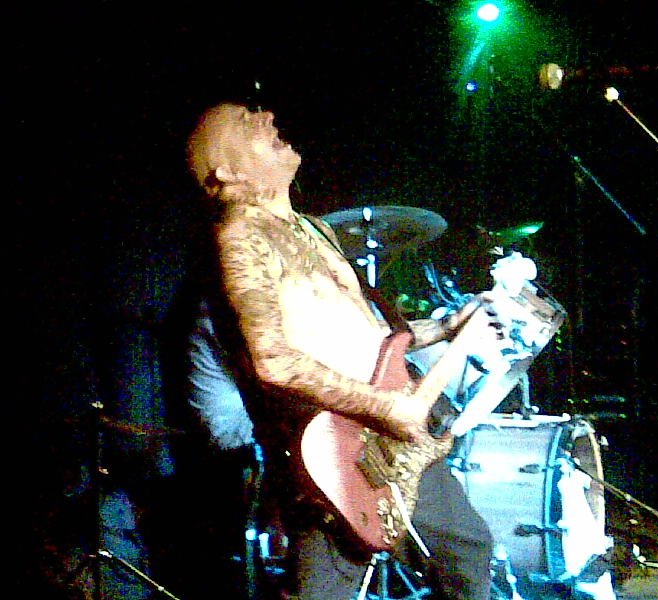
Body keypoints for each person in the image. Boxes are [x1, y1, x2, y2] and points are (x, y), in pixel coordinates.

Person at [183, 100, 502, 600]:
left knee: (466, 550)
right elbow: (271, 360)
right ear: (227, 172)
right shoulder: (240, 235)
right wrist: (385, 407)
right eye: (247, 121)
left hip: (384, 434)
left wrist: (442, 328)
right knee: (334, 586)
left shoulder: (315, 228)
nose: (267, 118)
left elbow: (368, 337)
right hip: (334, 447)